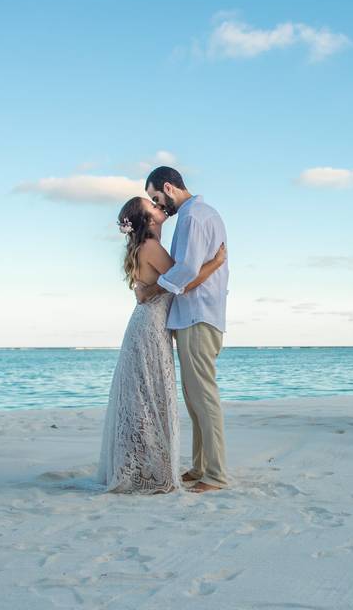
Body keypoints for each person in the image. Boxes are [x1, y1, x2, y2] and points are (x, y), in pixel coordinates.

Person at [97, 196, 225, 494]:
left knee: (145, 395)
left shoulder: (145, 247)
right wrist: (215, 263)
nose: (159, 207)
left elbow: (162, 284)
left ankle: (145, 463)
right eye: (153, 206)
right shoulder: (151, 247)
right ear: (148, 220)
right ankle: (150, 467)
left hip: (146, 323)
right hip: (151, 327)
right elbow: (185, 279)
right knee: (151, 394)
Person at [137, 166, 231, 491]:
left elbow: (188, 269)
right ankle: (201, 465)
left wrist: (152, 290)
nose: (158, 206)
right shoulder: (198, 214)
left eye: (157, 198)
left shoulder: (193, 216)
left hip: (198, 316)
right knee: (194, 399)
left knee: (203, 397)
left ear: (168, 187)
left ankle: (216, 474)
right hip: (194, 316)